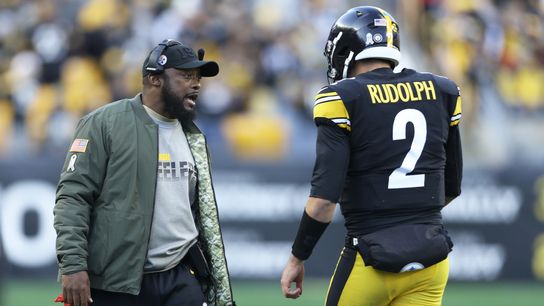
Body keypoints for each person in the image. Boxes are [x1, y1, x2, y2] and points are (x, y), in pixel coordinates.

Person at [281, 6, 462, 306]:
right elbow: (451, 186)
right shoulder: (443, 89)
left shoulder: (342, 98)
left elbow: (324, 202)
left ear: (346, 52)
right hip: (431, 260)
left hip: (371, 258)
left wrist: (297, 257)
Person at [54, 39, 235, 306]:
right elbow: (73, 198)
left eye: (197, 77)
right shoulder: (104, 123)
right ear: (155, 79)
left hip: (180, 275)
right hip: (118, 282)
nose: (196, 84)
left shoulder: (194, 137)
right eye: (186, 76)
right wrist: (73, 265)